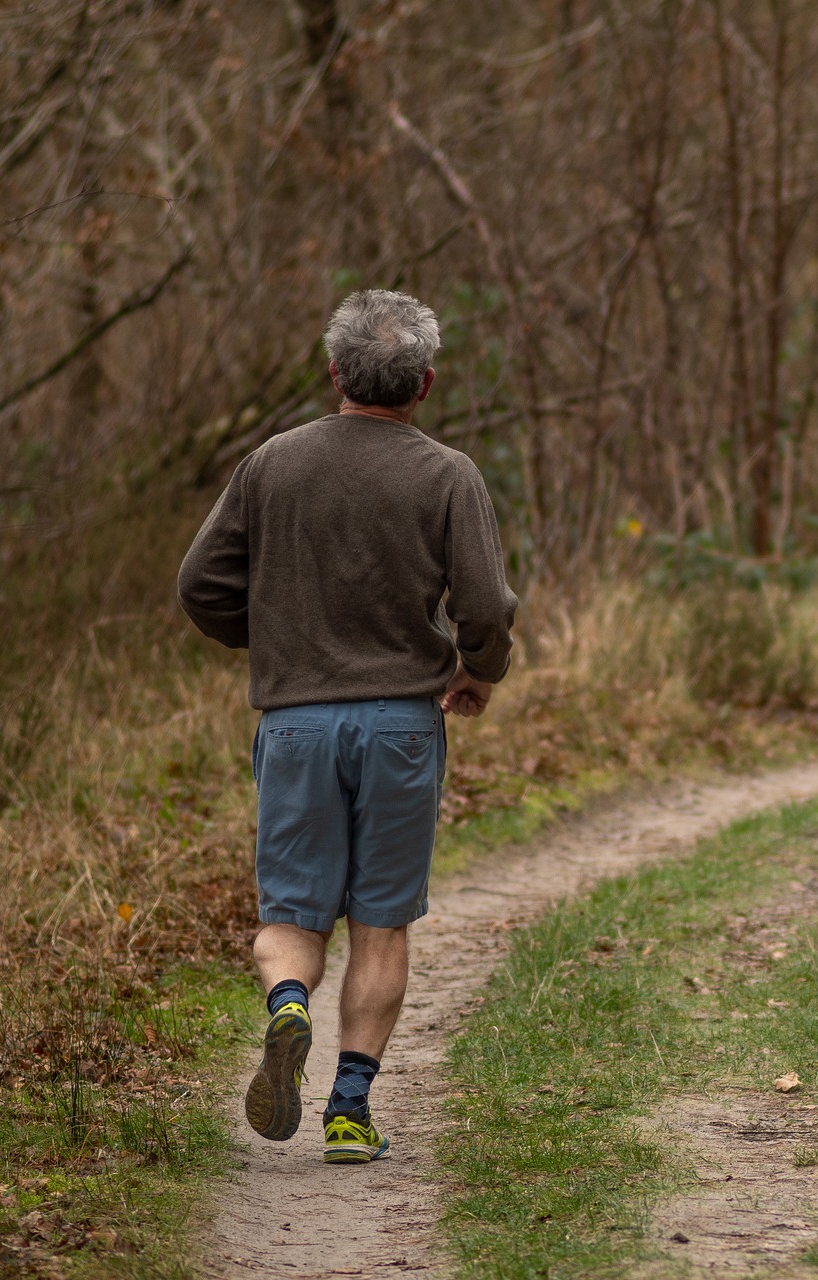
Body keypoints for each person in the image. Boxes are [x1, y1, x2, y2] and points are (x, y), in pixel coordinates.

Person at [177, 289, 516, 1164]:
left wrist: (282, 641)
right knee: (380, 922)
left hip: (295, 725)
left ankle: (287, 1003)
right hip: (404, 723)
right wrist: (478, 670)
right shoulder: (449, 476)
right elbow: (484, 606)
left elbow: (199, 586)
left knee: (292, 912)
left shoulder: (271, 465)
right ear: (426, 384)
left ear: (334, 372)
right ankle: (349, 1112)